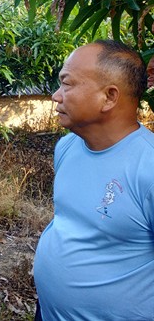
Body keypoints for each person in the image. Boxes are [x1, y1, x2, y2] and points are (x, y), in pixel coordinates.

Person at [32, 40, 154, 320]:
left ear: (109, 97)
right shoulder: (67, 148)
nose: (55, 96)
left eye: (67, 84)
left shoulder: (148, 167)